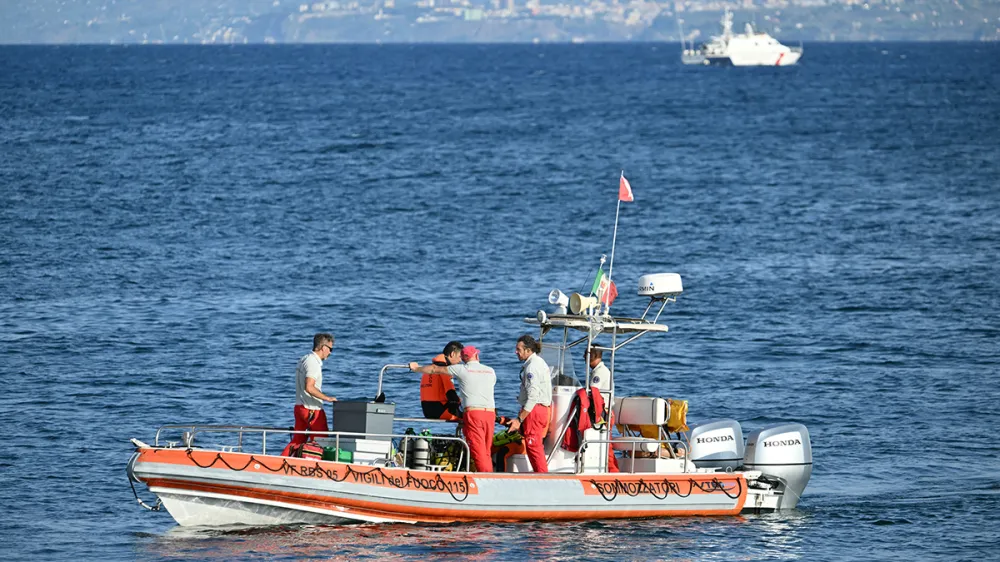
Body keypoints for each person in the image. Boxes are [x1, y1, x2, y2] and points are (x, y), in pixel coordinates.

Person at [410, 343, 497, 472]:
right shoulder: (490, 371)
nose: (459, 361)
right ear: (477, 356)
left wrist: (416, 368)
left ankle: (486, 478)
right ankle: (490, 475)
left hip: (464, 413)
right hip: (490, 414)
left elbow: (436, 373)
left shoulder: (460, 369)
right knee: (486, 450)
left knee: (478, 451)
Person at [281, 333, 337, 457]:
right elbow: (309, 387)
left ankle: (280, 463)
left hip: (299, 407)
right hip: (312, 409)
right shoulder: (314, 363)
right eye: (330, 349)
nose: (330, 353)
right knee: (321, 441)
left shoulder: (304, 359)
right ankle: (316, 469)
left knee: (297, 441)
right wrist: (327, 398)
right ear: (324, 347)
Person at [508, 334, 553, 473]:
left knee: (533, 444)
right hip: (540, 409)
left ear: (528, 350)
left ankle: (542, 477)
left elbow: (533, 396)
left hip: (535, 410)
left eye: (518, 349)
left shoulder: (532, 368)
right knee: (533, 444)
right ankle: (540, 474)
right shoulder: (539, 362)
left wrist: (519, 419)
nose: (516, 352)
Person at [420, 347, 462, 421]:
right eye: (459, 357)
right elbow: (450, 393)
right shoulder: (444, 370)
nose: (460, 360)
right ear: (452, 354)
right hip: (441, 411)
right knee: (471, 417)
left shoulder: (427, 370)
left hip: (427, 411)